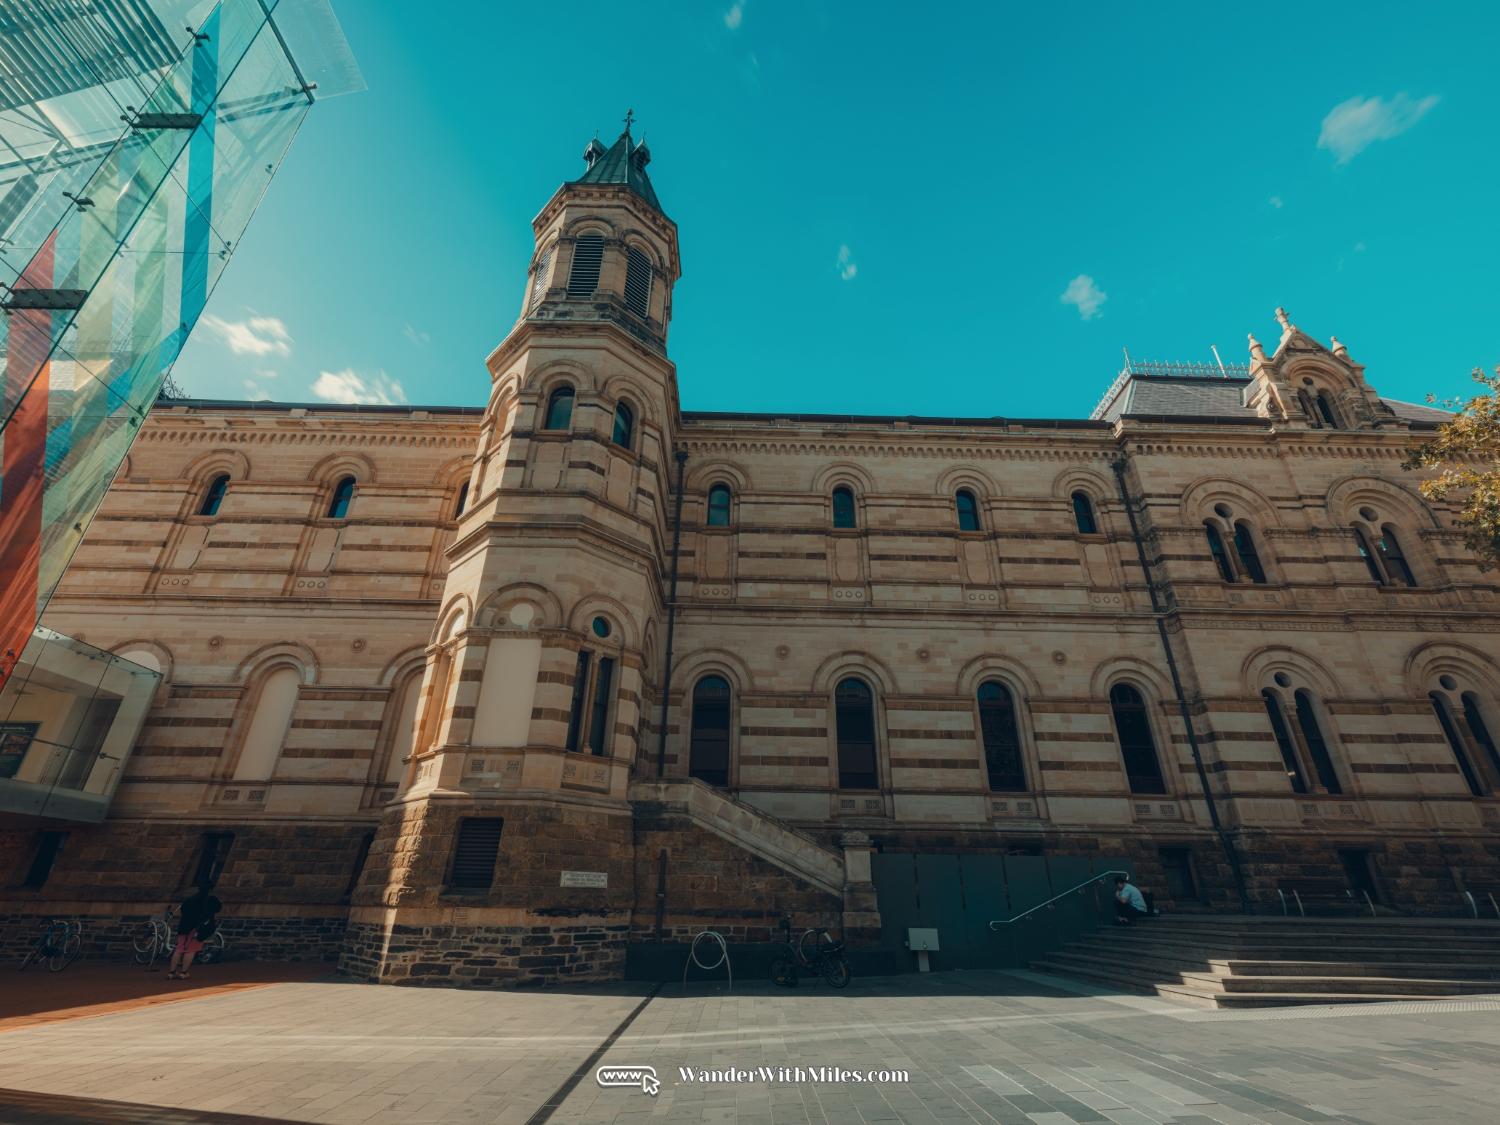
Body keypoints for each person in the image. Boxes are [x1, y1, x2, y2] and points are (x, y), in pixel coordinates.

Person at [166, 883, 221, 980]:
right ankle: (184, 972)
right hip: (198, 927)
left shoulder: (189, 900)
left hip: (184, 926)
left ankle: (172, 972)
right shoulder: (210, 900)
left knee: (179, 949)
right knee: (191, 950)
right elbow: (218, 908)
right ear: (209, 891)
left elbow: (183, 911)